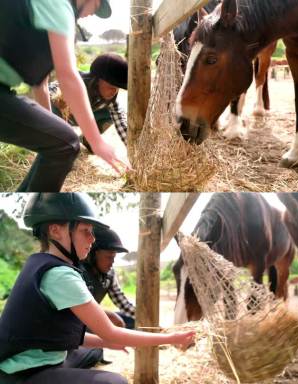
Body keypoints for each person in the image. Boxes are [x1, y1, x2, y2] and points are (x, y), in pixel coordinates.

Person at [0, 193, 193, 384]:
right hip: (23, 373)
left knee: (94, 351)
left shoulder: (40, 263)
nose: (92, 239)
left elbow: (61, 332)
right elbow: (110, 331)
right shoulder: (61, 275)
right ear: (55, 231)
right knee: (115, 382)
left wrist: (108, 342)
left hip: (36, 360)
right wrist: (171, 338)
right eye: (86, 231)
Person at [0, 0, 130, 192]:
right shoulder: (60, 6)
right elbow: (67, 76)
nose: (90, 15)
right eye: (95, 9)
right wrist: (97, 142)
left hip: (4, 90)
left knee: (60, 141)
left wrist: (49, 130)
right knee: (68, 143)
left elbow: (40, 83)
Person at [65, 226, 137, 369]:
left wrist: (147, 319)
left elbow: (122, 302)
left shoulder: (110, 274)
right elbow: (76, 312)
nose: (112, 262)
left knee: (129, 320)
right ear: (93, 254)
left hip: (91, 318)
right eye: (109, 257)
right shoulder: (77, 273)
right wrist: (107, 314)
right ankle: (92, 354)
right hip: (75, 323)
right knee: (94, 350)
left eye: (114, 258)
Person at [50, 53, 128, 153]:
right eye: (111, 87)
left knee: (110, 115)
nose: (114, 92)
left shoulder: (111, 100)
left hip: (84, 118)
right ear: (97, 80)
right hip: (61, 115)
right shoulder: (76, 83)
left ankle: (88, 139)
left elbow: (121, 122)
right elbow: (51, 90)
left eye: (117, 88)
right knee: (65, 148)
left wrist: (132, 146)